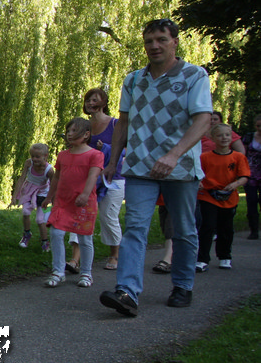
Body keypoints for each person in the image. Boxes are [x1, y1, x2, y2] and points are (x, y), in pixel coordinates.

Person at [99, 19, 212, 317]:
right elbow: (123, 123)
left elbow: (203, 120)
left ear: (175, 41)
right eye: (149, 41)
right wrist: (113, 162)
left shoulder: (194, 76)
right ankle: (127, 292)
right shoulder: (133, 80)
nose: (154, 46)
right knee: (135, 228)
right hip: (140, 167)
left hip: (181, 168)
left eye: (161, 39)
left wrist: (174, 155)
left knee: (183, 229)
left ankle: (183, 285)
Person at [41, 118, 104, 288]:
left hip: (84, 202)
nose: (69, 134)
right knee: (56, 233)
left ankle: (86, 273)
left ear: (86, 134)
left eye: (74, 131)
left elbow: (93, 175)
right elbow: (57, 178)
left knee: (84, 238)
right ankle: (58, 271)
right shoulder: (63, 155)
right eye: (68, 131)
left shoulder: (95, 155)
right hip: (63, 202)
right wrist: (49, 197)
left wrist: (85, 195)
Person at [81, 87, 125, 270]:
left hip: (113, 178)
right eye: (88, 100)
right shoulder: (84, 126)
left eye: (95, 100)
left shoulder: (115, 124)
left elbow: (127, 149)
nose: (91, 103)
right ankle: (77, 257)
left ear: (104, 103)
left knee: (108, 216)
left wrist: (106, 148)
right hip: (90, 177)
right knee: (82, 214)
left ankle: (115, 255)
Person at [195, 124, 249, 271]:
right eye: (219, 135)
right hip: (208, 196)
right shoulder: (205, 157)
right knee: (207, 226)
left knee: (226, 228)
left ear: (231, 137)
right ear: (212, 138)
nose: (224, 138)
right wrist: (199, 182)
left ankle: (225, 256)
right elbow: (198, 173)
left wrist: (235, 184)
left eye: (227, 135)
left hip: (228, 197)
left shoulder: (238, 157)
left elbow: (244, 176)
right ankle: (202, 259)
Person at [11, 143, 52, 252]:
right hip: (28, 191)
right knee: (25, 212)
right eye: (32, 156)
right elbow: (21, 178)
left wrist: (51, 200)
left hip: (43, 194)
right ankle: (27, 235)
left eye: (37, 157)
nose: (34, 159)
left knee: (40, 220)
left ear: (45, 156)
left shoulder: (49, 170)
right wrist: (14, 197)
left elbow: (54, 186)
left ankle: (45, 241)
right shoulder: (28, 163)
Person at [245, 113, 261, 240]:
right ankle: (253, 230)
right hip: (250, 174)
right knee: (251, 201)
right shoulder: (249, 137)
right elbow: (242, 154)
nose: (260, 128)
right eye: (258, 126)